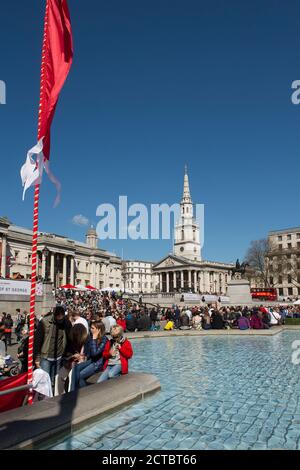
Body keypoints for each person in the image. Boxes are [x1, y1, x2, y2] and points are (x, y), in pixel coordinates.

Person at [34, 306, 72, 386]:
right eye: (58, 319)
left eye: (62, 318)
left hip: (59, 357)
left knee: (55, 381)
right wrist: (37, 357)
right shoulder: (44, 322)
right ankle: (46, 398)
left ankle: (54, 397)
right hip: (45, 357)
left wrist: (68, 355)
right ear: (54, 316)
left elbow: (69, 339)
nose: (60, 321)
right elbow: (37, 340)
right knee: (45, 382)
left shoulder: (66, 323)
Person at [71, 321, 108, 390]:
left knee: (79, 376)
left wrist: (94, 339)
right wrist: (82, 356)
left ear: (99, 329)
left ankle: (86, 390)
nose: (90, 329)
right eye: (90, 328)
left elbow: (95, 353)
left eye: (92, 328)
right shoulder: (90, 337)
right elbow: (88, 352)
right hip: (91, 361)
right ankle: (73, 390)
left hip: (98, 364)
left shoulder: (104, 340)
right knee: (75, 368)